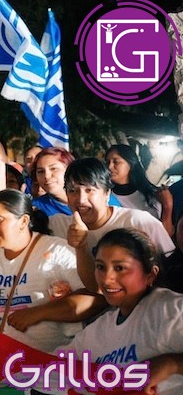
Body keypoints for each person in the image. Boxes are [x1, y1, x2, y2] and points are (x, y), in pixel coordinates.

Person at [0, 189, 106, 354]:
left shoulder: (55, 250)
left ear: (24, 221)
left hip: (50, 362)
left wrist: (38, 313)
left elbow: (98, 298)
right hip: (6, 362)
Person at [63, 228, 183, 394]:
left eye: (120, 268)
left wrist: (172, 363)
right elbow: (50, 367)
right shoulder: (96, 332)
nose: (107, 279)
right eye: (100, 267)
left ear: (150, 274)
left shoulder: (172, 311)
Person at [48, 158, 176, 291]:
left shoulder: (138, 221)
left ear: (107, 193)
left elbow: (170, 263)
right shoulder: (58, 224)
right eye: (73, 191)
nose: (81, 199)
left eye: (89, 190)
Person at [105, 144, 174, 235]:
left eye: (116, 162)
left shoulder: (153, 194)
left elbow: (166, 235)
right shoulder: (106, 199)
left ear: (130, 163)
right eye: (107, 162)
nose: (110, 167)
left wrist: (167, 206)